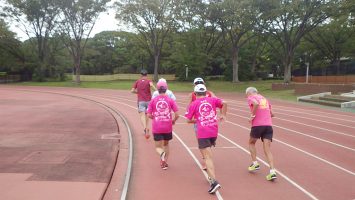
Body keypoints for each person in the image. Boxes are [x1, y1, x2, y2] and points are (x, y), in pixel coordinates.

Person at [185, 84, 227, 194]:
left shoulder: (194, 104)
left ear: (195, 93)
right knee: (208, 155)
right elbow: (224, 103)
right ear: (206, 92)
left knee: (207, 158)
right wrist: (223, 114)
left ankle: (214, 182)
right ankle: (211, 176)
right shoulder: (212, 99)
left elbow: (188, 120)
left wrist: (198, 120)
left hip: (203, 132)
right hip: (214, 131)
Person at [245, 87, 277, 181]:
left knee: (251, 143)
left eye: (246, 94)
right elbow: (272, 114)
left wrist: (252, 116)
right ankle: (272, 172)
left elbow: (255, 104)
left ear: (250, 93)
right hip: (268, 126)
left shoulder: (251, 97)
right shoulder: (265, 99)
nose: (247, 97)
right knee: (267, 149)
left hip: (258, 125)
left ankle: (255, 163)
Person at [147, 81, 179, 170]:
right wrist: (173, 121)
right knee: (166, 145)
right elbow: (177, 114)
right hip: (167, 127)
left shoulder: (153, 100)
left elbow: (148, 114)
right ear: (166, 89)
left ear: (157, 89)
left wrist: (154, 117)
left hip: (157, 127)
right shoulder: (170, 100)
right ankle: (164, 162)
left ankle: (162, 154)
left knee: (158, 147)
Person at [187, 77, 216, 170]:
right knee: (207, 143)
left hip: (198, 121)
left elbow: (189, 106)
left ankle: (206, 160)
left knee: (201, 142)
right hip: (209, 121)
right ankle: (207, 159)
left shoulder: (192, 94)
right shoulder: (210, 93)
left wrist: (189, 114)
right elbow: (217, 101)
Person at [131, 69, 157, 139]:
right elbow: (151, 86)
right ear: (147, 75)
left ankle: (145, 128)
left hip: (141, 101)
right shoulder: (149, 81)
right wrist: (157, 91)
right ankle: (146, 127)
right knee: (147, 115)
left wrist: (138, 93)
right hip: (149, 101)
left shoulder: (137, 81)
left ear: (141, 75)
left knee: (142, 115)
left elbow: (132, 91)